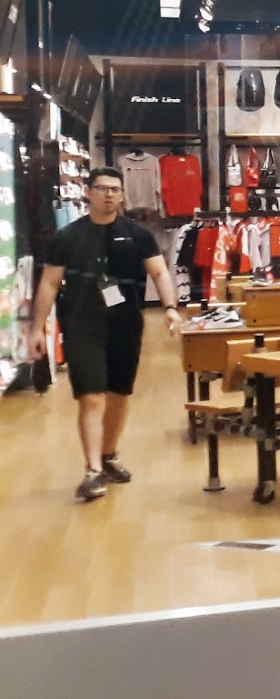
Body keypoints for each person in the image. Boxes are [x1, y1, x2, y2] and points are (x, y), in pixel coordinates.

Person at [28, 166, 182, 502]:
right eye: (102, 188)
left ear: (123, 195)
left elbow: (159, 272)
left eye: (115, 189)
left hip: (125, 325)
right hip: (81, 325)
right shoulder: (67, 237)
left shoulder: (138, 235)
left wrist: (170, 307)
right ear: (88, 193)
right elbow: (49, 283)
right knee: (91, 396)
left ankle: (109, 455)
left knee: (118, 394)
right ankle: (92, 471)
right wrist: (37, 328)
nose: (109, 194)